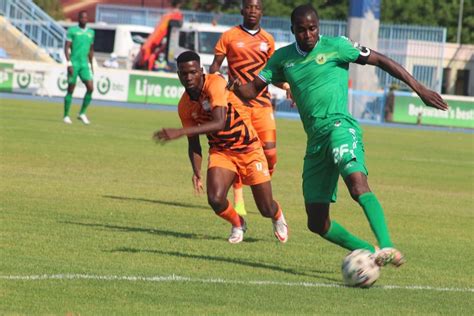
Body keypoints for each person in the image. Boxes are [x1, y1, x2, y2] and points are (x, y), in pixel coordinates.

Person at [231, 4, 448, 266]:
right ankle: (370, 250)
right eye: (302, 30)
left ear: (318, 27)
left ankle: (388, 245)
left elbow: (381, 60)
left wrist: (419, 88)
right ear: (293, 30)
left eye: (312, 28)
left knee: (357, 185)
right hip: (315, 142)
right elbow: (252, 90)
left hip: (340, 128)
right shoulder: (281, 59)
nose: (308, 34)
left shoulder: (338, 46)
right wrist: (233, 86)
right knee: (316, 222)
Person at [153, 51, 289, 244]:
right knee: (215, 199)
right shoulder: (184, 105)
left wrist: (178, 132)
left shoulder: (214, 83)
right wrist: (196, 171)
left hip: (249, 148)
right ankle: (238, 222)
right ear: (178, 75)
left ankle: (277, 216)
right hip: (221, 152)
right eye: (184, 73)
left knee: (265, 208)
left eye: (193, 72)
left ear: (201, 71)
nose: (189, 77)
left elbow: (219, 122)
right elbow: (193, 143)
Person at [209, 0, 291, 216]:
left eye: (257, 7)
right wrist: (217, 81)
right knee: (238, 150)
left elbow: (273, 73)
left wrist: (285, 85)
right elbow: (215, 67)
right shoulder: (229, 36)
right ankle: (239, 199)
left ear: (262, 12)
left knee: (271, 154)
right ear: (242, 10)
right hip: (237, 104)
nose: (253, 11)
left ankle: (261, 187)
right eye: (249, 7)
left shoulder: (268, 40)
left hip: (262, 103)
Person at [63, 10, 95, 125]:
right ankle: (66, 115)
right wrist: (69, 64)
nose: (84, 19)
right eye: (82, 17)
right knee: (71, 88)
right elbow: (66, 47)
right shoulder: (72, 31)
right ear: (79, 19)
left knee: (90, 88)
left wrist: (92, 64)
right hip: (74, 63)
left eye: (86, 18)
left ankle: (82, 113)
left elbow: (91, 50)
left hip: (84, 65)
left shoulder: (91, 32)